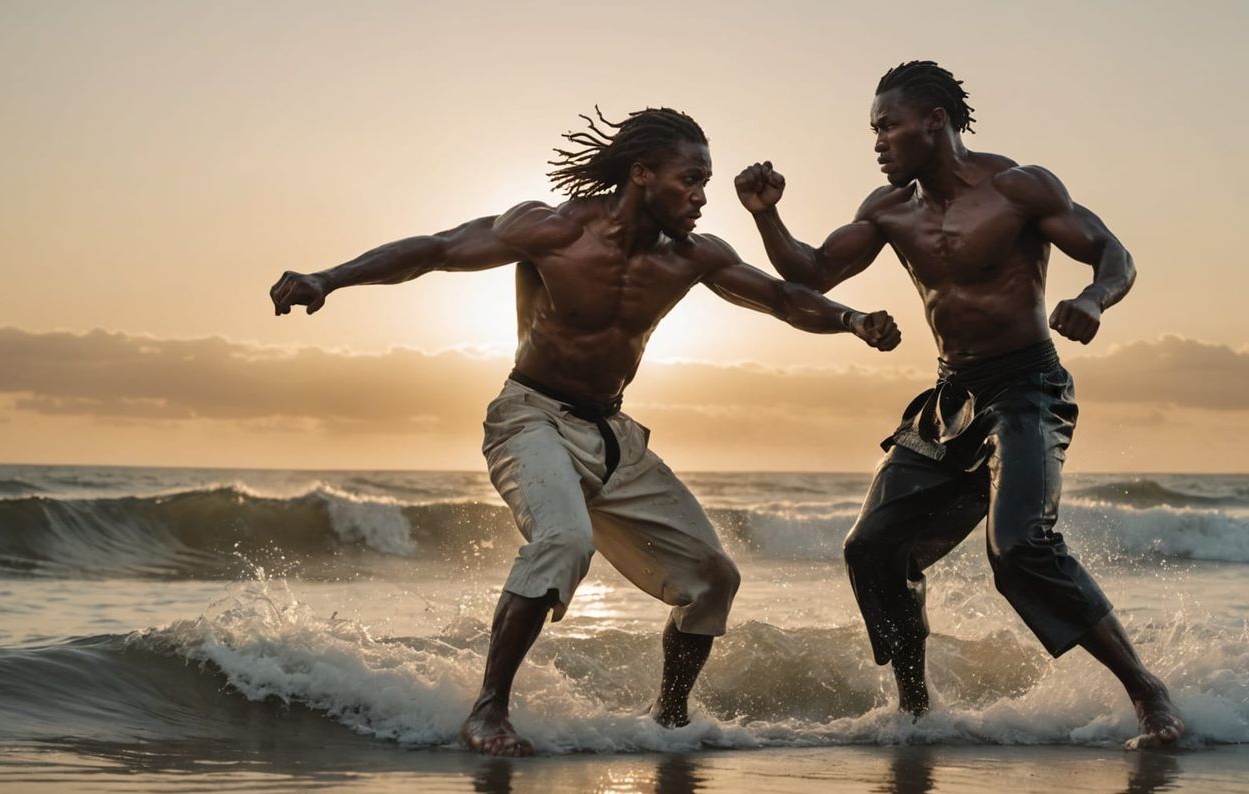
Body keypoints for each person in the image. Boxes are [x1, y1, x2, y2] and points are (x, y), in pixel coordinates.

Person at [271, 106, 901, 756]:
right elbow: (435, 251)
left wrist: (851, 319)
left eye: (705, 181)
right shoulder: (552, 229)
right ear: (641, 172)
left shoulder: (692, 256)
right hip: (530, 418)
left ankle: (670, 721)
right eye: (690, 179)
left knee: (714, 579)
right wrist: (329, 279)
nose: (701, 197)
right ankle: (488, 711)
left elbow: (779, 297)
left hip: (613, 437)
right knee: (565, 541)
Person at [734, 62, 1185, 748]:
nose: (877, 142)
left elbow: (1111, 252)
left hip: (1029, 388)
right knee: (872, 547)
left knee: (1020, 548)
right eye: (873, 131)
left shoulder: (1018, 187)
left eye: (887, 126)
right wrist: (767, 215)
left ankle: (1147, 692)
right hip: (950, 399)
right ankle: (916, 708)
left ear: (934, 121)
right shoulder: (887, 210)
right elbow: (814, 269)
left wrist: (1094, 298)